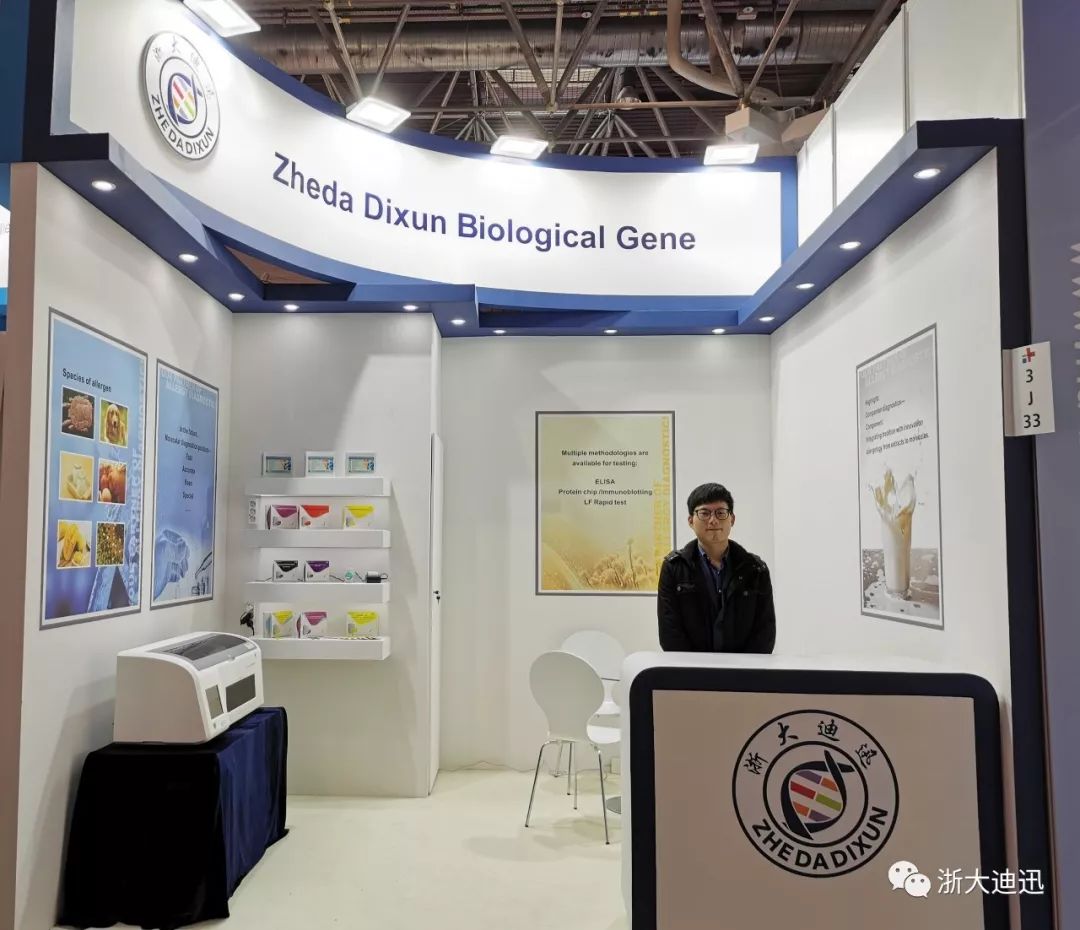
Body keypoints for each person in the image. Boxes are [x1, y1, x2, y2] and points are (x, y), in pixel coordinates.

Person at [657, 482, 775, 653]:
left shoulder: (755, 569)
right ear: (691, 521)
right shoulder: (674, 568)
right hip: (690, 667)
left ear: (732, 519)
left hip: (743, 667)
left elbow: (765, 632)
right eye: (704, 513)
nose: (713, 520)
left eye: (721, 513)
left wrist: (742, 667)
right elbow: (670, 633)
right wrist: (694, 667)